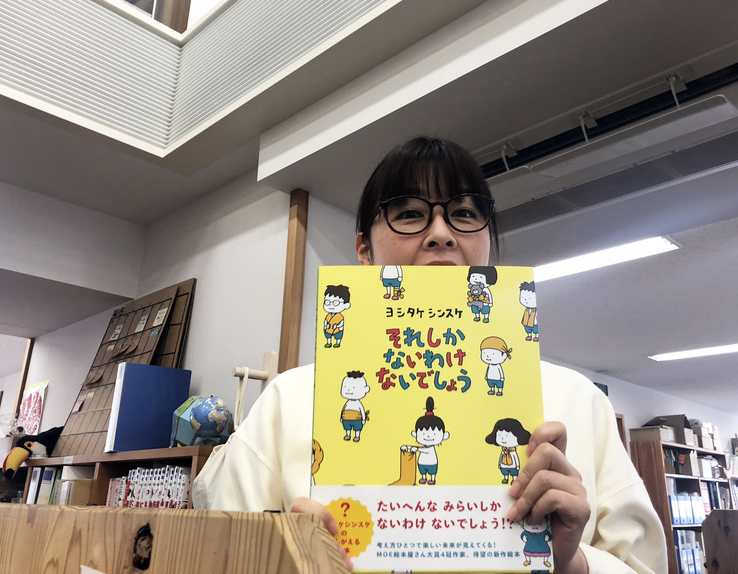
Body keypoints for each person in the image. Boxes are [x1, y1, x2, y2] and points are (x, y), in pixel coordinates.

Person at [192, 136, 668, 574]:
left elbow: (643, 564)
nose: (441, 233)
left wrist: (573, 562)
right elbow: (217, 556)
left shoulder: (578, 401)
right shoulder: (290, 400)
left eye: (464, 213)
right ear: (364, 251)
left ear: (488, 244)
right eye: (409, 213)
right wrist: (286, 559)